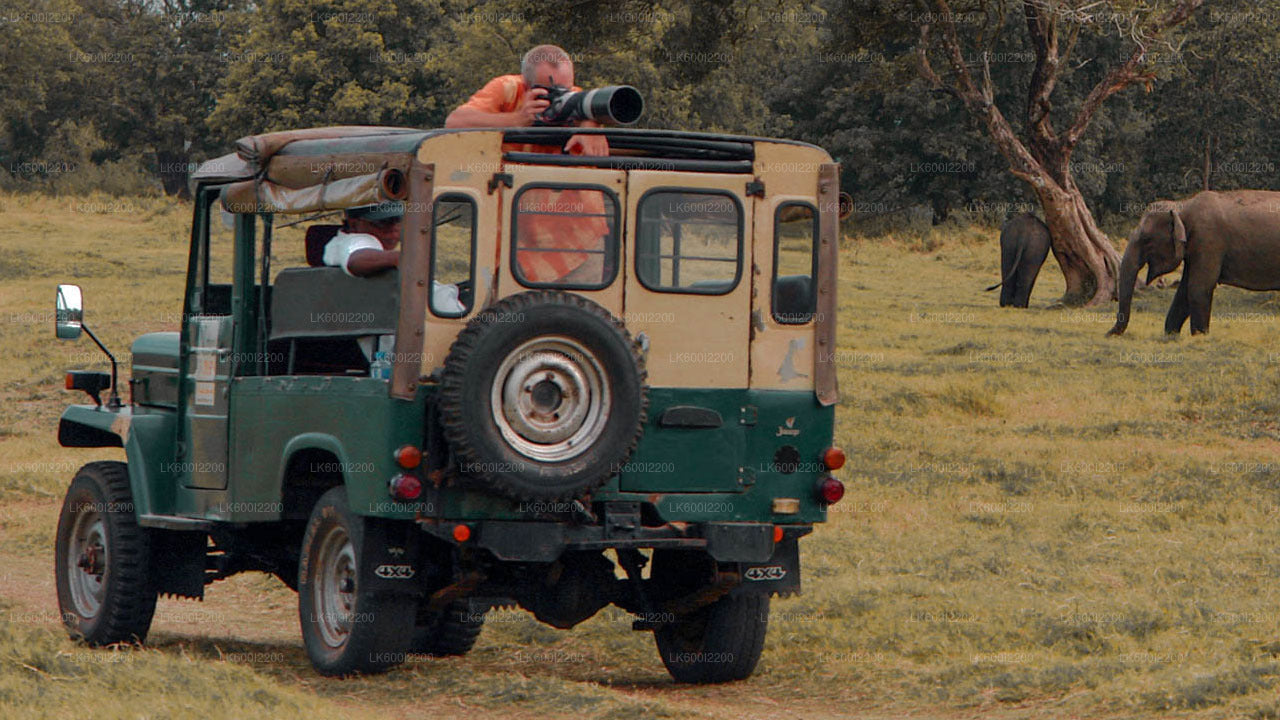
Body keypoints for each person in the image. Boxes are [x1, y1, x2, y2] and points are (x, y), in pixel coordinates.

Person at [445, 45, 612, 285]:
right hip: (517, 238)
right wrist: (516, 120)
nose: (559, 97)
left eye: (565, 89)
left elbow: (597, 108)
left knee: (579, 315)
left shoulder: (579, 101)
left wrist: (590, 127)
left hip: (577, 239)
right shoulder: (507, 89)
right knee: (512, 315)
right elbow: (454, 122)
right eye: (548, 91)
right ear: (527, 83)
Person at [322, 202, 465, 313]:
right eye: (382, 222)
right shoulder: (355, 240)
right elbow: (355, 259)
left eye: (397, 220)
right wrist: (399, 258)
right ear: (354, 223)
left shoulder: (341, 244)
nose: (393, 228)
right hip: (397, 346)